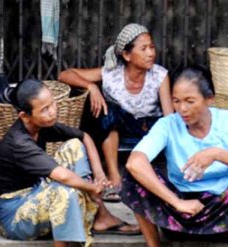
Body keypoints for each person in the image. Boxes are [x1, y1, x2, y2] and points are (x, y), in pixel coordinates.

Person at [122, 66, 228, 247]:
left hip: (224, 215)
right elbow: (135, 163)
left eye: (190, 101)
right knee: (133, 178)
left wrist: (218, 154)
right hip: (178, 214)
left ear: (209, 99)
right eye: (176, 101)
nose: (182, 108)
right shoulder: (168, 125)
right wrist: (177, 202)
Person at [0, 79, 141, 247]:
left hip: (34, 191)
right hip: (14, 215)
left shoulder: (40, 126)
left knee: (73, 146)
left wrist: (99, 174)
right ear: (25, 116)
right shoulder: (19, 142)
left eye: (52, 104)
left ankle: (101, 217)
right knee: (63, 191)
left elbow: (83, 137)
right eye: (44, 109)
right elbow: (61, 176)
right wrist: (92, 187)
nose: (53, 111)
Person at [58, 23, 173, 202]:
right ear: (127, 55)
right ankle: (114, 175)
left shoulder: (160, 75)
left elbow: (169, 118)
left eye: (152, 47)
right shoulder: (111, 74)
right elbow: (65, 75)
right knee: (108, 111)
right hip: (118, 127)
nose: (151, 53)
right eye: (143, 49)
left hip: (149, 127)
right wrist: (91, 87)